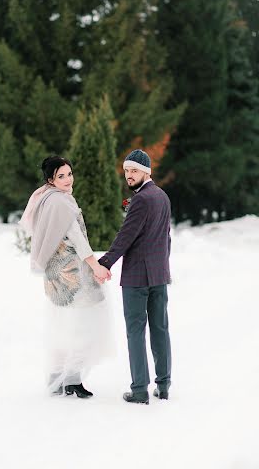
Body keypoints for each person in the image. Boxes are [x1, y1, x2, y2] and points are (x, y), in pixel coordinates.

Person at [19, 155, 112, 398]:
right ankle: (71, 378)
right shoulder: (61, 202)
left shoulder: (42, 198)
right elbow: (78, 239)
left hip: (54, 274)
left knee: (60, 323)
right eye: (61, 176)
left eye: (69, 174)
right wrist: (96, 267)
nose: (68, 179)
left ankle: (56, 377)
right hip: (72, 273)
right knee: (85, 323)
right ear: (51, 179)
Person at [98, 149, 172, 405]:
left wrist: (104, 262)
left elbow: (125, 237)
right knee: (160, 329)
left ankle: (140, 389)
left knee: (136, 331)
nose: (129, 176)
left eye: (134, 171)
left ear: (146, 172)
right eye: (127, 171)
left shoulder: (141, 200)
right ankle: (163, 385)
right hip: (159, 275)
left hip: (137, 278)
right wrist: (163, 266)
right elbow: (166, 238)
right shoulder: (162, 196)